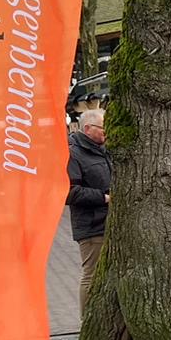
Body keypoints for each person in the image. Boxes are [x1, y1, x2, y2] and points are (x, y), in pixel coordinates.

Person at [66, 109, 111, 315]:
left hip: (108, 221)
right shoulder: (73, 154)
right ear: (87, 129)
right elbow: (69, 192)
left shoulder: (103, 150)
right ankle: (86, 321)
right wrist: (103, 197)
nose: (106, 132)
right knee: (91, 275)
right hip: (91, 225)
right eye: (103, 128)